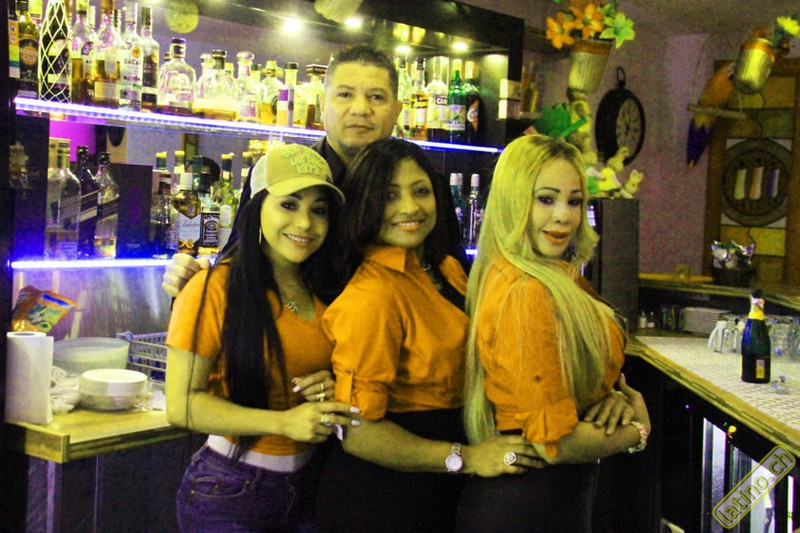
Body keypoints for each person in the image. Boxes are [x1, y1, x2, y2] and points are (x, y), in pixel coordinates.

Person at [315, 138, 540, 533]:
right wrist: (467, 457)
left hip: (442, 483)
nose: (410, 207)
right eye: (389, 195)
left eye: (421, 191)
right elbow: (358, 434)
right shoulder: (372, 295)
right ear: (364, 204)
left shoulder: (446, 268)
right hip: (386, 497)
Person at [456, 134, 652, 533]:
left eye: (574, 201)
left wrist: (607, 397)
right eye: (545, 199)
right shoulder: (526, 291)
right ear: (513, 202)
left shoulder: (549, 275)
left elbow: (563, 377)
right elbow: (555, 445)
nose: (564, 216)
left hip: (542, 500)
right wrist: (637, 429)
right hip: (526, 506)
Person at [162, 44, 465, 295]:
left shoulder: (425, 185)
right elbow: (238, 259)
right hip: (297, 337)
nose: (361, 109)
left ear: (397, 111)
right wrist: (191, 279)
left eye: (376, 97)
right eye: (345, 94)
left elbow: (450, 268)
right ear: (322, 105)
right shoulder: (281, 173)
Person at [165, 144, 359, 532]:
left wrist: (328, 387)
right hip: (229, 488)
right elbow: (181, 406)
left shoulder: (324, 289)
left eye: (319, 210)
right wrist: (283, 423)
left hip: (308, 486)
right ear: (256, 208)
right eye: (289, 205)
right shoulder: (214, 287)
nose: (305, 223)